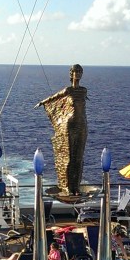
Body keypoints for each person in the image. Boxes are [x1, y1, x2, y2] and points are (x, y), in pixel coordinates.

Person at [35, 64, 88, 196]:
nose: (78, 74)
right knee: (69, 156)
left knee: (79, 158)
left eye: (80, 71)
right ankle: (67, 187)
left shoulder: (84, 91)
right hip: (70, 125)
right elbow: (55, 97)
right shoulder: (68, 90)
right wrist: (42, 102)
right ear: (71, 74)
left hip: (82, 125)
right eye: (75, 71)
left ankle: (76, 187)